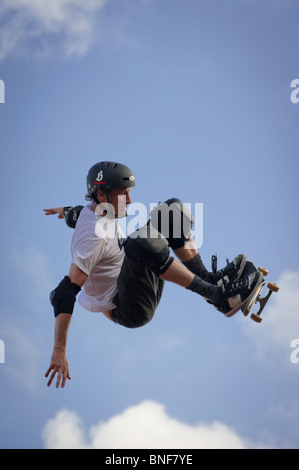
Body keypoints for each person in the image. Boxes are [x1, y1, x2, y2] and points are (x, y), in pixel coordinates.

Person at [44, 161, 262, 388]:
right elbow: (64, 293)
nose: (129, 201)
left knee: (172, 212)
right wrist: (59, 350)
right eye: (123, 194)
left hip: (132, 275)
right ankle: (219, 296)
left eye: (129, 193)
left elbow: (78, 214)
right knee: (139, 241)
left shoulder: (94, 208)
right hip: (127, 307)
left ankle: (210, 280)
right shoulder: (91, 237)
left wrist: (66, 211)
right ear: (101, 193)